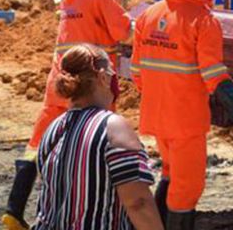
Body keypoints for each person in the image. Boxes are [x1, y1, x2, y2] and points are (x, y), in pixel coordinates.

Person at [3, 0, 133, 230]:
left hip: (60, 76)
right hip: (92, 80)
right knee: (97, 141)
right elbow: (122, 31)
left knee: (39, 141)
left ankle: (14, 209)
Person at [131, 0, 233, 230]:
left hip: (157, 117)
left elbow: (137, 71)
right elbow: (214, 75)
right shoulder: (203, 20)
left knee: (169, 173)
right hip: (185, 120)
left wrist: (160, 95)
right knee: (187, 188)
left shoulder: (149, 15)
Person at [32, 44, 163, 230]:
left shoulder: (54, 128)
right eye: (111, 72)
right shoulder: (113, 127)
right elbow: (138, 202)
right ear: (102, 77)